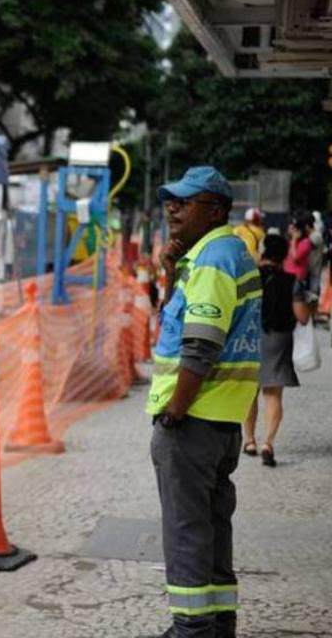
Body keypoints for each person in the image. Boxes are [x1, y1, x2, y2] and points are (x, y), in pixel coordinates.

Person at [148, 166, 261, 638]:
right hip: (222, 419)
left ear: (215, 210)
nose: (173, 207)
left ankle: (192, 628)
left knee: (186, 526)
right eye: (170, 200)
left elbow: (199, 345)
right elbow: (181, 324)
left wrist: (174, 412)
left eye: (185, 200)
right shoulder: (225, 254)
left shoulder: (215, 258)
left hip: (193, 419)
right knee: (213, 524)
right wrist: (172, 272)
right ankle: (218, 624)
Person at [242, 234, 303, 467]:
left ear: (263, 250)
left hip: (249, 337)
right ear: (285, 255)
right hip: (279, 339)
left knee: (249, 391)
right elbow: (302, 316)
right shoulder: (292, 281)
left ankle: (249, 441)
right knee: (273, 394)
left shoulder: (250, 277)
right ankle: (267, 442)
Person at [284, 214, 313, 320]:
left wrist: (294, 240)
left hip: (297, 277)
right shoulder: (289, 240)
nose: (291, 230)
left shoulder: (306, 242)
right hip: (287, 275)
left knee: (295, 301)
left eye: (293, 228)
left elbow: (296, 257)